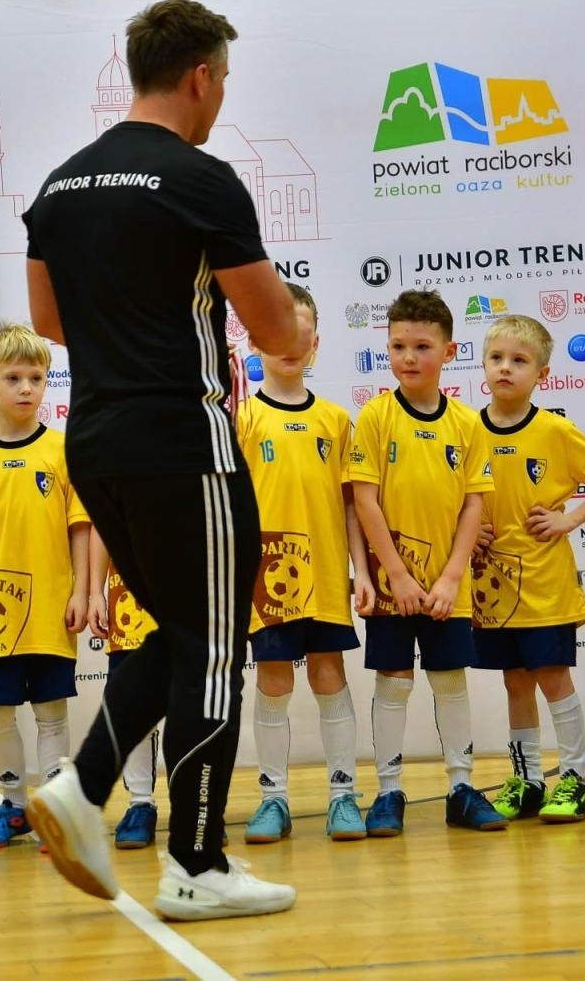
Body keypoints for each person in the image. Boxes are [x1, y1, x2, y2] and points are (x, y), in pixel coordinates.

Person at [23, 0, 308, 921]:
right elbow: (276, 331)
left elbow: (49, 324)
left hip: (96, 439)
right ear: (200, 77)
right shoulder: (200, 179)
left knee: (185, 637)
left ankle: (84, 783)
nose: (219, 96)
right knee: (220, 645)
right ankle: (197, 864)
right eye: (220, 80)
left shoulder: (59, 186)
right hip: (184, 441)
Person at [350, 290, 502, 835]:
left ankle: (461, 786)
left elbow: (473, 504)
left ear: (448, 350)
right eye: (398, 346)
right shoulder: (374, 416)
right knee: (392, 681)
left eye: (421, 346)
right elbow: (364, 499)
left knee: (450, 679)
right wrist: (395, 574)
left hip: (445, 587)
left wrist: (452, 576)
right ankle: (389, 791)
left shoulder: (466, 423)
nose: (408, 357)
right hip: (397, 586)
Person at [235, 284, 375, 844]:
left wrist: (361, 571)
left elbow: (350, 506)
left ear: (316, 343)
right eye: (277, 332)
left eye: (301, 333)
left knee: (328, 675)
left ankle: (344, 795)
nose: (290, 344)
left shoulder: (336, 420)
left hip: (322, 577)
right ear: (254, 341)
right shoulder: (240, 419)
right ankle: (273, 800)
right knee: (272, 681)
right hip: (265, 581)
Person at [471, 315, 585, 823]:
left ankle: (577, 780)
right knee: (515, 681)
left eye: (519, 360)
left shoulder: (555, 429)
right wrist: (469, 529)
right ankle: (528, 779)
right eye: (497, 358)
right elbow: (452, 495)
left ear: (544, 374)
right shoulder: (469, 429)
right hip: (493, 588)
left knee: (552, 676)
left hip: (545, 583)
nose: (506, 368)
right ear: (483, 366)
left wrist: (569, 518)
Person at [0, 324, 90, 850]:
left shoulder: (62, 449)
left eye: (36, 377)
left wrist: (80, 591)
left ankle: (53, 811)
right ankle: (11, 807)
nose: (26, 388)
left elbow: (81, 526)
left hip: (53, 604)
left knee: (52, 709)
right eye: (14, 378)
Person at [85, 528, 162, 849]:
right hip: (129, 597)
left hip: (191, 588)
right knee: (134, 702)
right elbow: (103, 525)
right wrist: (96, 593)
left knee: (194, 703)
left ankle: (198, 808)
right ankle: (141, 803)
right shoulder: (113, 477)